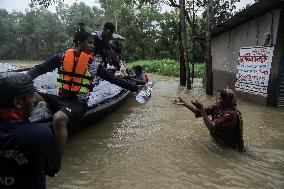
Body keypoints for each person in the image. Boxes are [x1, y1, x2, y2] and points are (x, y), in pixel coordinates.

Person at [27, 25, 139, 133]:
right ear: (79, 43)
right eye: (90, 43)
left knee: (59, 118)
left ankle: (56, 151)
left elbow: (114, 79)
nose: (93, 46)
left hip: (78, 103)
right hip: (59, 98)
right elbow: (40, 69)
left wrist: (135, 87)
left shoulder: (94, 65)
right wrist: (22, 80)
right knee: (28, 93)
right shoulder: (61, 58)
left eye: (93, 43)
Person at [0, 72, 63, 189]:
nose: (34, 100)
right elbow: (53, 168)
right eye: (31, 95)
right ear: (18, 103)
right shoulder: (41, 134)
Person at [174, 88, 244, 151]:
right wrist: (186, 104)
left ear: (225, 101)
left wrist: (202, 110)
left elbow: (212, 127)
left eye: (218, 98)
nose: (215, 99)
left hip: (227, 149)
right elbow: (199, 112)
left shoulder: (231, 114)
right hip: (217, 142)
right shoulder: (217, 107)